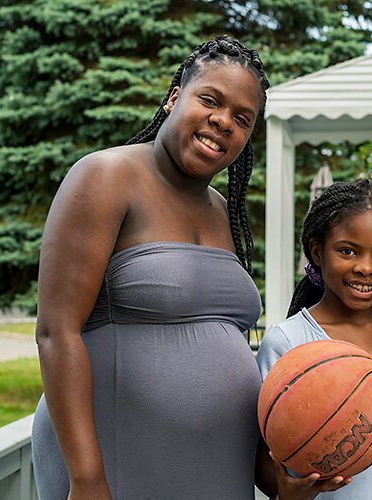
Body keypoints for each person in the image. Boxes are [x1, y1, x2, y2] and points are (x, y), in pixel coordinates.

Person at [32, 36, 272, 499]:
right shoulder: (106, 176)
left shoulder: (222, 210)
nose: (223, 122)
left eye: (242, 119)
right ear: (173, 98)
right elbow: (55, 332)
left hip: (217, 463)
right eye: (210, 100)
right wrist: (86, 478)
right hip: (115, 455)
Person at [257, 179, 372, 500]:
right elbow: (265, 459)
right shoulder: (287, 342)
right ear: (316, 252)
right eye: (348, 251)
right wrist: (290, 494)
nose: (365, 267)